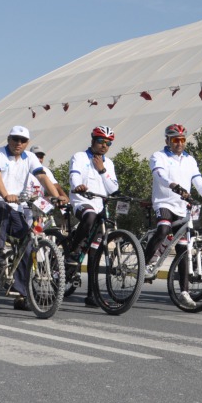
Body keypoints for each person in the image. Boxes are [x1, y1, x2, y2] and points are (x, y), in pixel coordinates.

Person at [0, 125, 63, 310]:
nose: (18, 143)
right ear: (8, 139)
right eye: (15, 139)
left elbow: (41, 176)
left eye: (23, 140)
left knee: (28, 242)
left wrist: (56, 196)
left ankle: (22, 293)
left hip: (16, 206)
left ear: (27, 143)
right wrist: (6, 194)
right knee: (2, 208)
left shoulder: (30, 158)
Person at [146, 124, 202, 307]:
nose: (179, 143)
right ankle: (145, 264)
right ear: (167, 141)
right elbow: (159, 175)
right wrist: (174, 185)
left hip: (182, 206)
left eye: (182, 140)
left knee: (184, 249)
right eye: (175, 140)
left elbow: (198, 182)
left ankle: (184, 292)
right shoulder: (158, 156)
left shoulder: (190, 160)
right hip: (164, 202)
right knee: (163, 229)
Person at [66, 126, 121, 307]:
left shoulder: (109, 164)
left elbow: (113, 188)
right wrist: (78, 186)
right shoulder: (80, 157)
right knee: (88, 216)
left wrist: (102, 170)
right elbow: (74, 176)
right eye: (100, 141)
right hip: (82, 201)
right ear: (92, 141)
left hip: (101, 206)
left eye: (108, 143)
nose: (104, 145)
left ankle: (92, 295)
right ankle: (73, 252)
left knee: (95, 253)